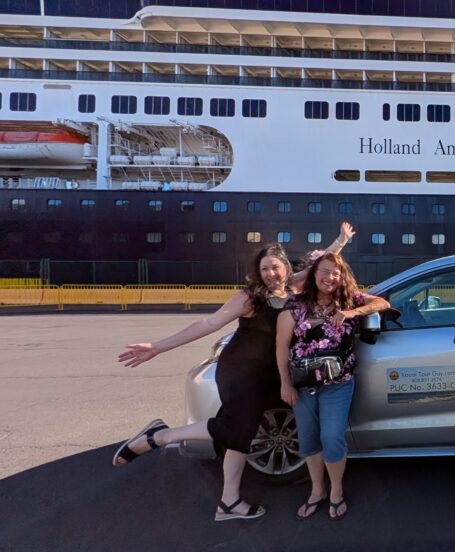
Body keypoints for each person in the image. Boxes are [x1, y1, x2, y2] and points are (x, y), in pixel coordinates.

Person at [113, 223, 354, 522]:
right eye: (264, 268)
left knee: (242, 434)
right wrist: (158, 347)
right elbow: (208, 324)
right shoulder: (250, 297)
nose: (270, 274)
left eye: (275, 267)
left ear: (285, 267)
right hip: (241, 372)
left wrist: (340, 241)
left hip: (270, 374)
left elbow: (323, 265)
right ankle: (160, 436)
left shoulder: (293, 287)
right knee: (235, 429)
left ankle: (228, 503)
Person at [276, 253, 389, 520]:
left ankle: (336, 491)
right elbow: (280, 347)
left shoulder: (349, 299)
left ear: (342, 277)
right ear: (314, 274)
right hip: (302, 386)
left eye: (336, 273)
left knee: (332, 437)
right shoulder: (296, 306)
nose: (330, 278)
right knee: (308, 440)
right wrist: (285, 384)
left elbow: (382, 302)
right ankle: (317, 491)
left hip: (338, 384)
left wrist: (351, 312)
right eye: (325, 272)